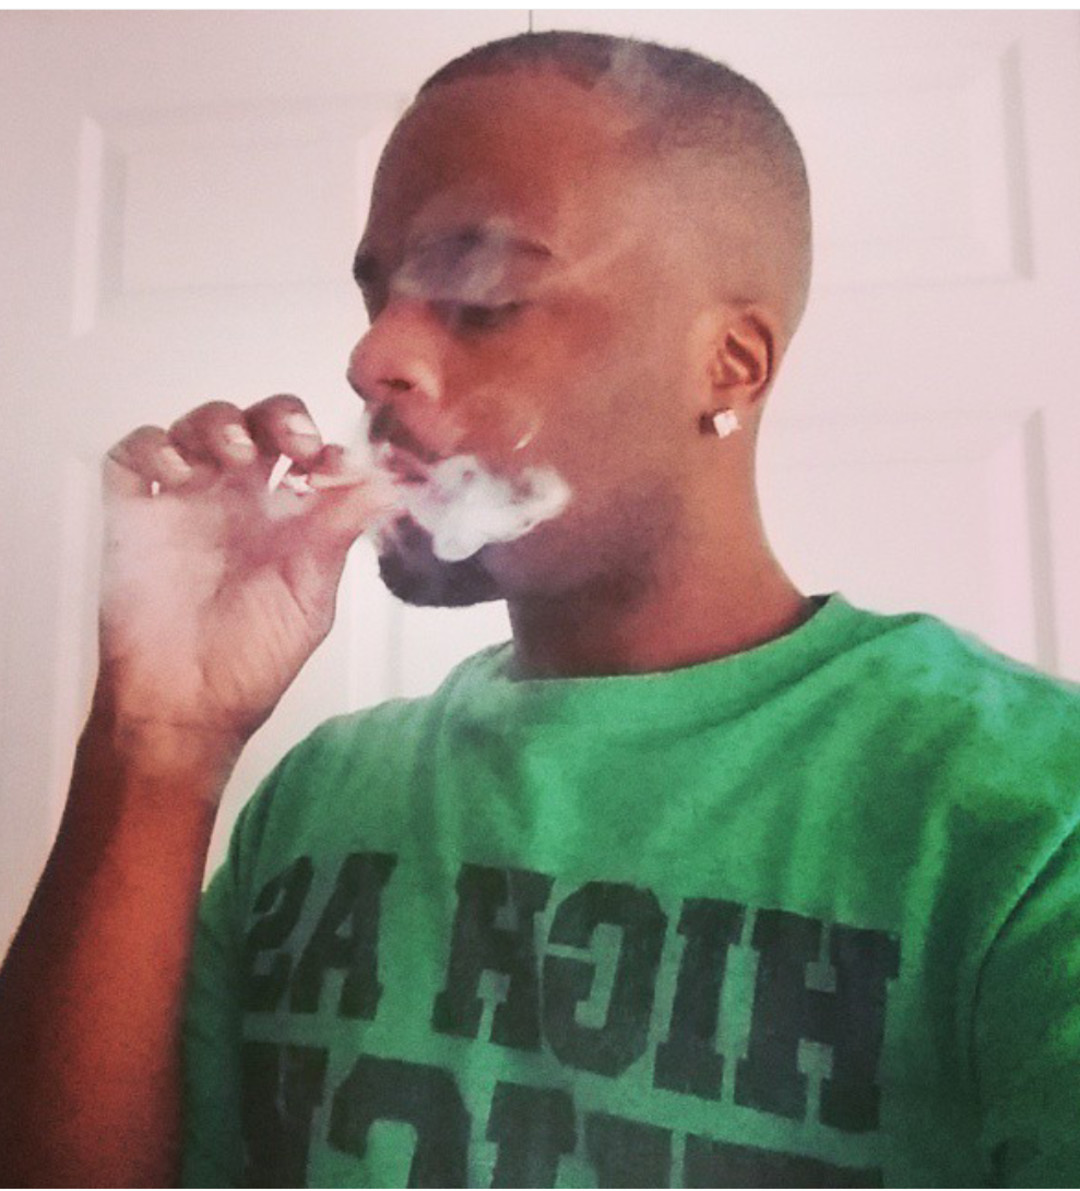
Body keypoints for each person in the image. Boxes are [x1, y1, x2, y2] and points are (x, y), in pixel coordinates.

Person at [2, 29, 1080, 1188]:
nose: (371, 356)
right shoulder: (323, 797)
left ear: (729, 364)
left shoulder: (1027, 810)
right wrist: (156, 745)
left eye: (486, 296)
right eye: (377, 294)